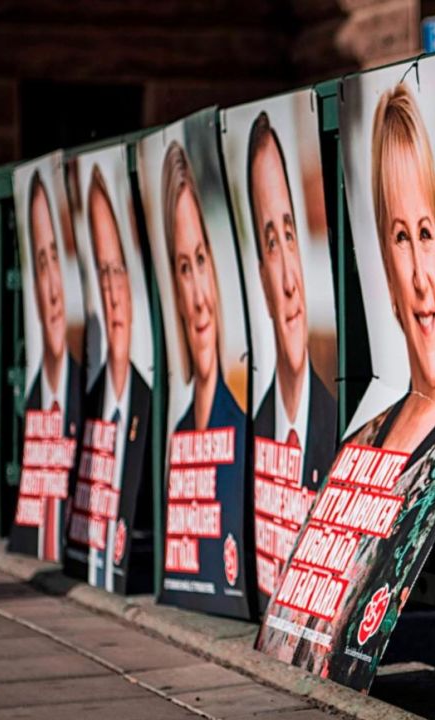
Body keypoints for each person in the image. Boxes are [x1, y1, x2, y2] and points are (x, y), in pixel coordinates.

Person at [258, 83, 435, 682]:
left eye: (427, 233)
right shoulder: (364, 438)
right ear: (382, 258)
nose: (420, 276)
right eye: (400, 237)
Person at [161, 140, 248, 605]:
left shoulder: (242, 422)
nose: (197, 295)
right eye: (182, 268)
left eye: (202, 262)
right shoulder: (178, 432)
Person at [245, 112, 336, 493]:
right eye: (270, 244)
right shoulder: (252, 433)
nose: (288, 283)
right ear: (262, 279)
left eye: (289, 234)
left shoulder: (336, 424)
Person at [78, 165, 153, 592]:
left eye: (119, 271)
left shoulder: (151, 397)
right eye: (101, 273)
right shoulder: (89, 402)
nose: (110, 291)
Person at [14, 169, 83, 559]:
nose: (54, 288)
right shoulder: (35, 396)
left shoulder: (95, 391)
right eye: (41, 263)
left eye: (57, 258)